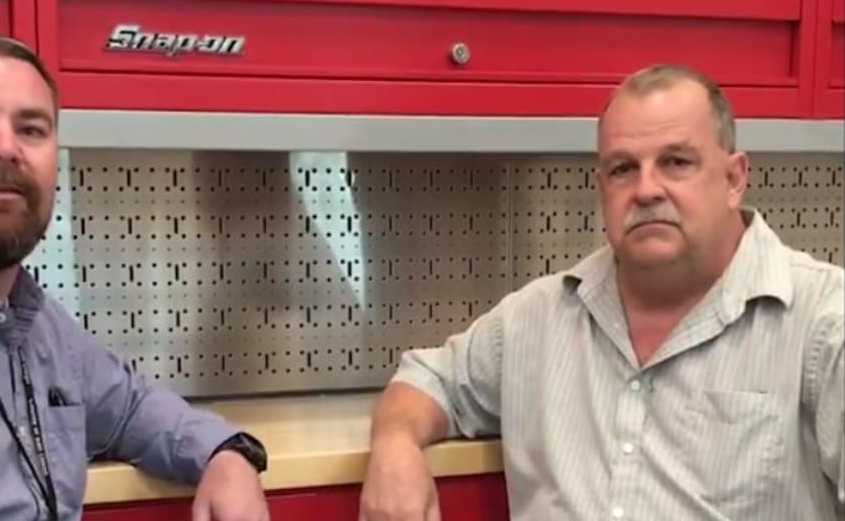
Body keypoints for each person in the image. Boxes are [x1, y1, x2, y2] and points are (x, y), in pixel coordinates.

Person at [358, 64, 844, 520]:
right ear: (601, 189)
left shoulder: (823, 325)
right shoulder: (537, 318)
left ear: (734, 179)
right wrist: (394, 446)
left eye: (676, 162)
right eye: (623, 169)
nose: (646, 189)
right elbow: (429, 380)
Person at [0, 33, 270, 521]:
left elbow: (133, 407)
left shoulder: (31, 321)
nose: (6, 148)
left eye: (31, 129)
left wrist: (227, 455)